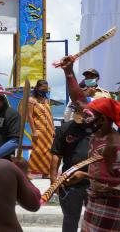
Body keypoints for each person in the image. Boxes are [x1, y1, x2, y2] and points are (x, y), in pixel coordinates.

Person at [59, 56, 120, 231]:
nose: (85, 117)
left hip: (111, 213)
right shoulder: (96, 135)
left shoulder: (115, 146)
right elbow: (79, 101)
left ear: (105, 119)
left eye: (90, 115)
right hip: (94, 209)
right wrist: (69, 73)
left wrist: (86, 176)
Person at [50, 104, 90, 232]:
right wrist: (53, 180)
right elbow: (56, 155)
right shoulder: (64, 128)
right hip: (70, 184)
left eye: (80, 111)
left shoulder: (98, 128)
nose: (77, 113)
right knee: (70, 219)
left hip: (94, 184)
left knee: (94, 221)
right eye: (75, 110)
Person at [27, 80, 55, 177]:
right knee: (37, 150)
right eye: (43, 89)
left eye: (46, 89)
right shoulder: (31, 100)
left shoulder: (46, 100)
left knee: (49, 151)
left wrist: (54, 129)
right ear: (37, 88)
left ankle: (45, 173)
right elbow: (29, 116)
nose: (44, 91)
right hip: (39, 129)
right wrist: (33, 131)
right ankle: (29, 171)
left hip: (49, 129)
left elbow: (50, 115)